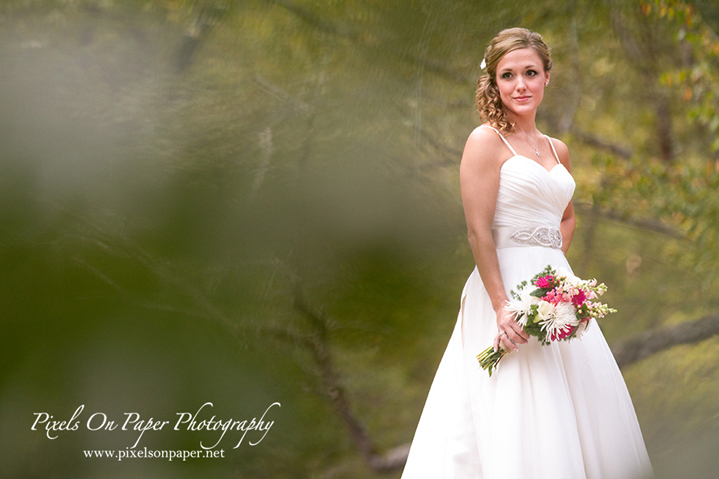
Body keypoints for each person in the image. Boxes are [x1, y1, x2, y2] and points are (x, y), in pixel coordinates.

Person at [401, 28, 653, 479]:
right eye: (508, 75)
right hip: (501, 288)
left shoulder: (558, 149)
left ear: (546, 77)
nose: (520, 84)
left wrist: (558, 286)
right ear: (494, 83)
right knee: (514, 398)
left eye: (530, 73)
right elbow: (478, 232)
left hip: (554, 290)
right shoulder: (485, 141)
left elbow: (567, 218)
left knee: (578, 405)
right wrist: (502, 306)